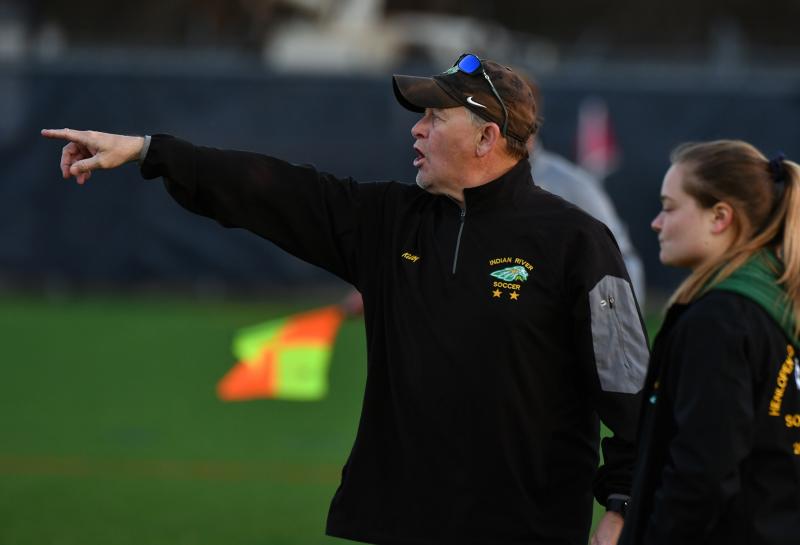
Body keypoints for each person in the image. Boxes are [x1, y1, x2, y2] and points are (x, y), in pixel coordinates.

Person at [42, 53, 649, 545]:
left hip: (529, 531)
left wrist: (622, 507)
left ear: (486, 137)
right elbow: (272, 190)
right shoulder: (389, 222)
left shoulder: (576, 241)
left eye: (434, 117)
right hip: (407, 526)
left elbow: (628, 384)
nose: (416, 129)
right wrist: (149, 151)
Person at [619, 141, 800, 545]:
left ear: (720, 217)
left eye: (669, 208)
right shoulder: (777, 304)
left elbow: (701, 474)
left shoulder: (720, 320)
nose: (656, 223)